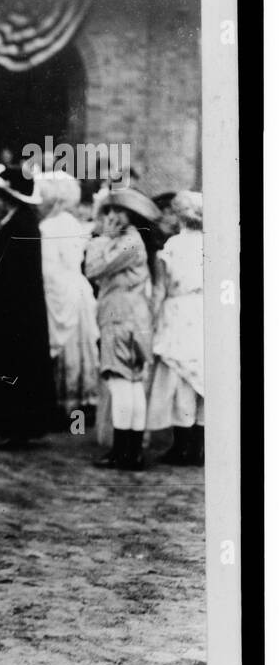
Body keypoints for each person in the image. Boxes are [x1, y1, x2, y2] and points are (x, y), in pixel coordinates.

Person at [0, 164, 54, 449]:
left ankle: (18, 430)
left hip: (16, 313)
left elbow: (14, 276)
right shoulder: (14, 221)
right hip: (11, 311)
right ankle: (5, 423)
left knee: (16, 368)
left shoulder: (22, 225)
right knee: (5, 367)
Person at [84, 187, 160, 470]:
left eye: (116, 212)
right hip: (134, 317)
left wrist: (104, 238)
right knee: (131, 383)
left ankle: (124, 450)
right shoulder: (136, 242)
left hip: (119, 317)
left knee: (120, 383)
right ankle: (131, 449)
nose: (110, 217)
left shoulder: (127, 243)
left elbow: (93, 268)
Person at [37, 171, 100, 424]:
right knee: (78, 348)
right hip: (77, 289)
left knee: (63, 349)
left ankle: (60, 407)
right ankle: (80, 406)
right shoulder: (72, 223)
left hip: (59, 291)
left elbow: (48, 268)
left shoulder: (47, 227)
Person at [147, 191, 204, 465]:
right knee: (201, 375)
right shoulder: (212, 243)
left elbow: (160, 287)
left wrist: (152, 317)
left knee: (180, 377)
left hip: (178, 311)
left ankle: (183, 445)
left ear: (180, 215)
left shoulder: (173, 245)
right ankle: (197, 446)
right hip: (204, 311)